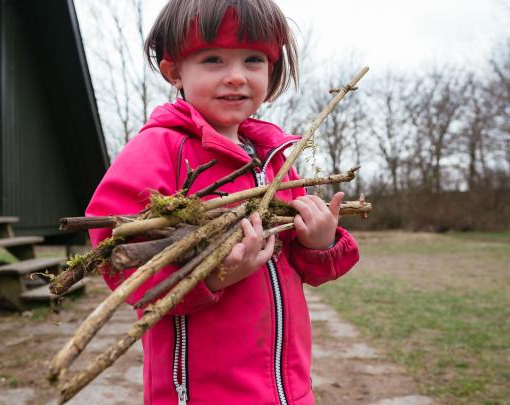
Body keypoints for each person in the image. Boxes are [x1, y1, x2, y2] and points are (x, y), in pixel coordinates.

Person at [86, 1, 359, 403]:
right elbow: (116, 252)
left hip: (288, 389)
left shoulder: (274, 158)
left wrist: (319, 242)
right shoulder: (161, 149)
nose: (236, 77)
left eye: (252, 60)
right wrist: (212, 277)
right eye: (213, 60)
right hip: (199, 393)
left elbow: (301, 263)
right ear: (174, 71)